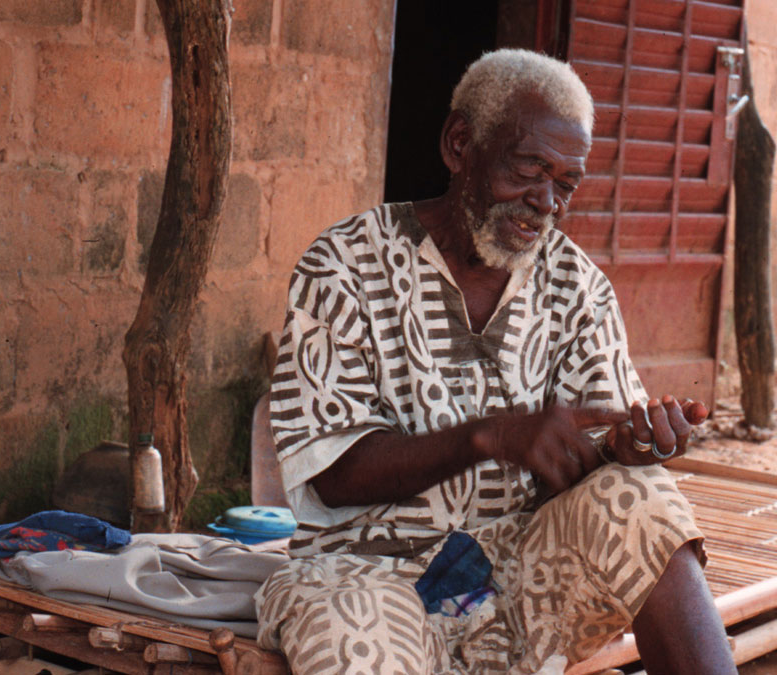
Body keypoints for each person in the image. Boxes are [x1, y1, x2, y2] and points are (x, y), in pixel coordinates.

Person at [256, 49, 736, 675]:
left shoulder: (575, 287)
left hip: (510, 574)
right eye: (530, 168)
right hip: (368, 573)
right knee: (352, 632)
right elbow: (333, 475)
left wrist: (627, 447)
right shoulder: (345, 266)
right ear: (461, 145)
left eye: (566, 182)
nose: (546, 202)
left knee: (639, 497)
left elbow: (588, 467)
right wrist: (491, 436)